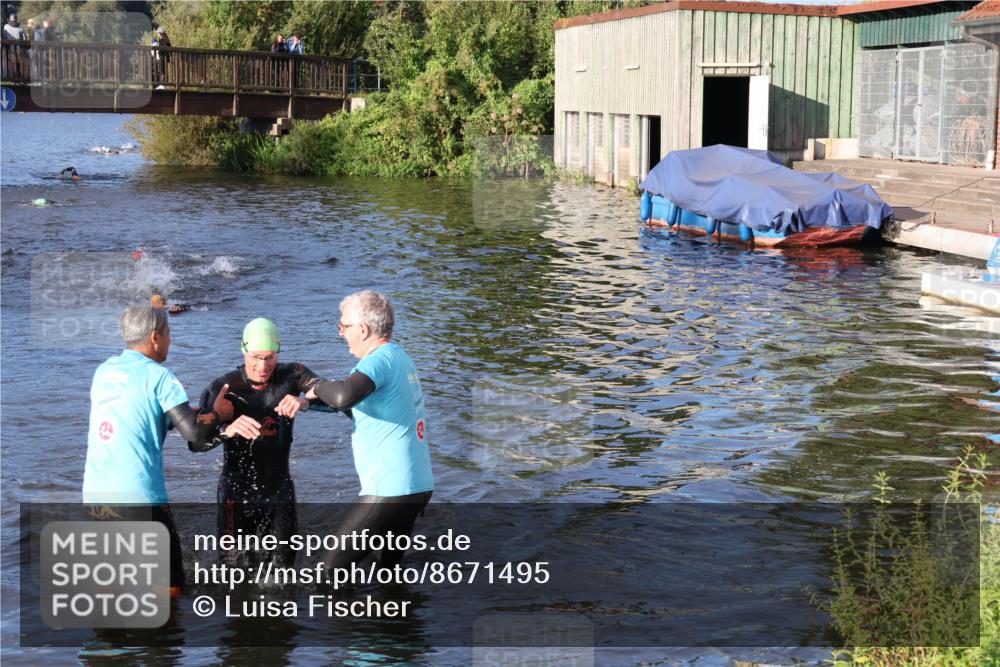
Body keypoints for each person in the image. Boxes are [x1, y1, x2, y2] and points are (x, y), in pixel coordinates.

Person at [84, 305, 233, 595]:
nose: (170, 341)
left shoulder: (104, 371)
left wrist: (189, 414)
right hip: (139, 497)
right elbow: (193, 432)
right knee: (169, 587)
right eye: (168, 334)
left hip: (95, 494)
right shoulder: (160, 376)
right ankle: (162, 638)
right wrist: (217, 414)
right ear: (155, 337)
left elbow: (138, 416)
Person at [307, 291, 434, 569]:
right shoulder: (399, 358)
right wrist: (305, 404)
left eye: (343, 326)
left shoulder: (377, 361)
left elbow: (342, 396)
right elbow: (354, 406)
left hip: (390, 489)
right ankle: (399, 613)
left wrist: (312, 383)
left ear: (363, 329)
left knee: (325, 573)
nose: (341, 334)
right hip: (417, 486)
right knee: (387, 574)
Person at [190, 318, 327, 567]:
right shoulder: (223, 388)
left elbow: (332, 394)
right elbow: (196, 444)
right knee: (232, 575)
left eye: (270, 357)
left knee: (283, 574)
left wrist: (305, 401)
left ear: (278, 352)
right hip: (236, 495)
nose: (263, 366)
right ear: (243, 350)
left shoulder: (292, 375)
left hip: (280, 491)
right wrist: (226, 430)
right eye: (255, 357)